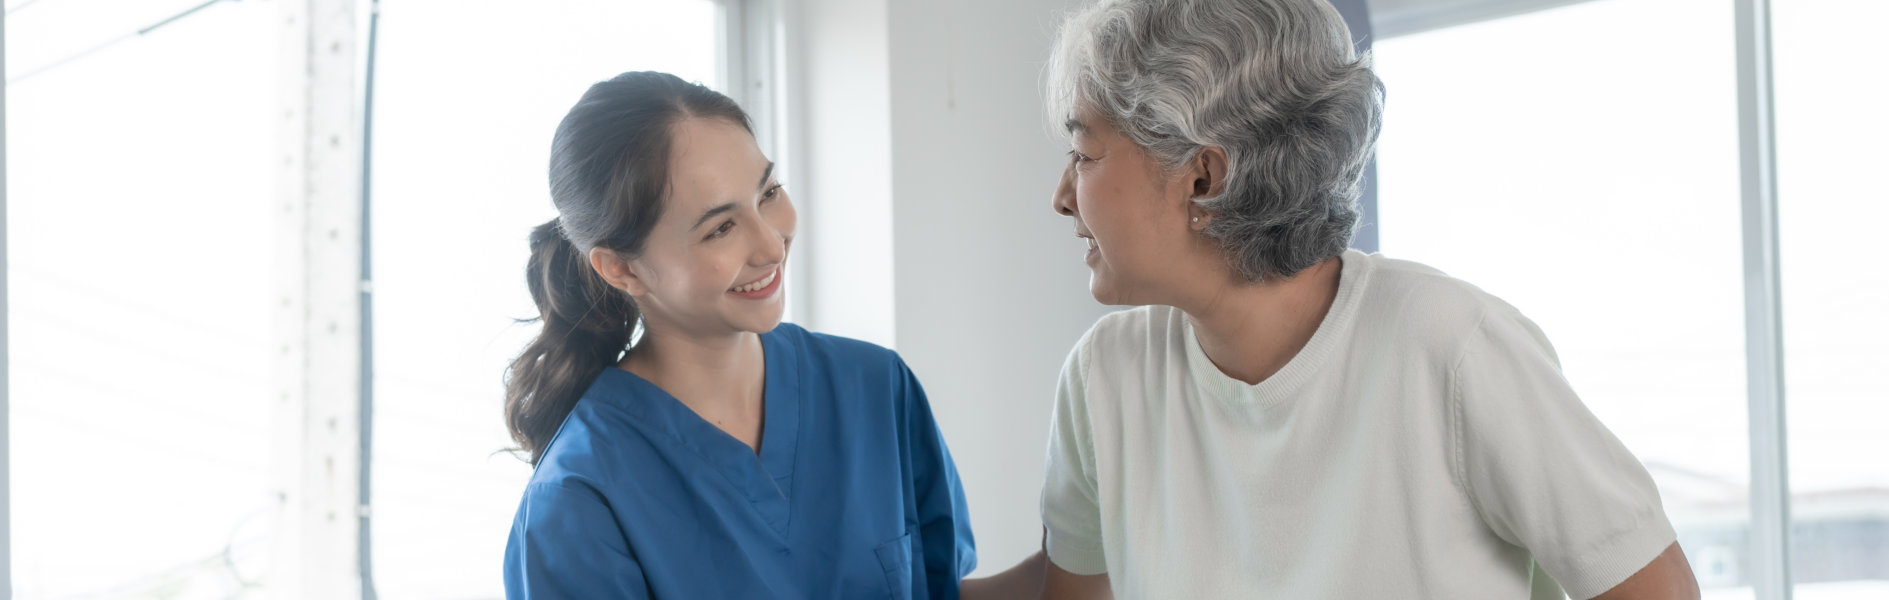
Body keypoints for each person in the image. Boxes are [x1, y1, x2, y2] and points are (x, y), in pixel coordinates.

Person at [1025, 0, 1703, 598]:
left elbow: (1655, 588)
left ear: (1203, 178)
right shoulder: (1103, 377)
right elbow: (1070, 586)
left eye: (1084, 155)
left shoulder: (1452, 347)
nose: (1062, 196)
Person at [501, 71, 974, 599]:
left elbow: (943, 590)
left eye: (769, 192)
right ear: (621, 269)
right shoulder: (577, 500)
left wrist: (1073, 540)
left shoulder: (876, 387)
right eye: (720, 228)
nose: (772, 245)